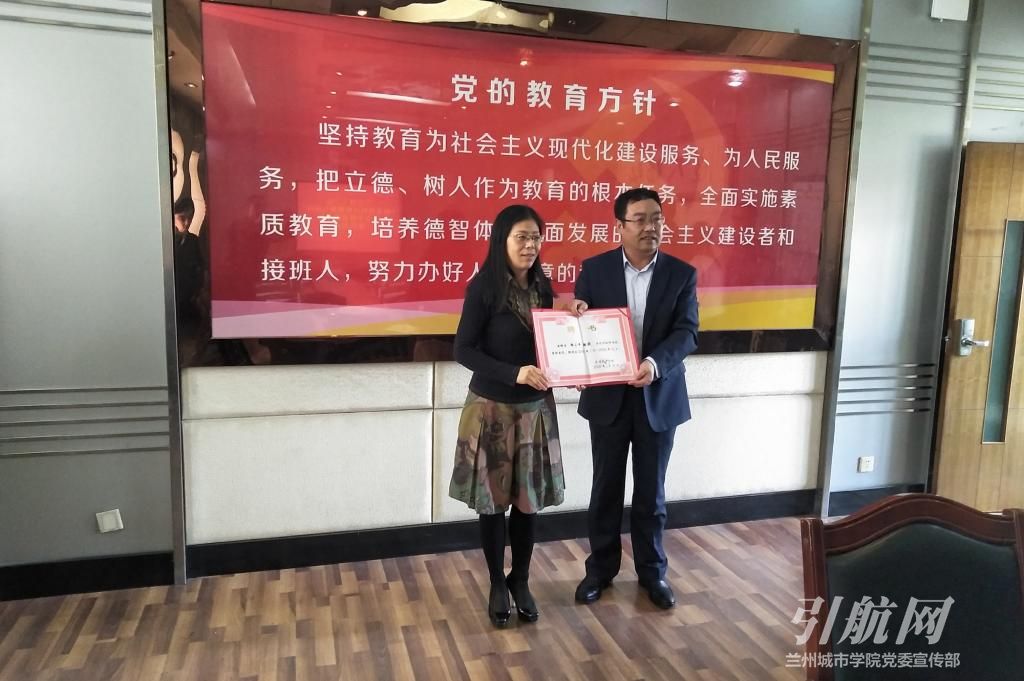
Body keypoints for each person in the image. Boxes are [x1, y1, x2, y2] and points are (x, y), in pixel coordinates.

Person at [449, 204, 584, 628]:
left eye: (536, 237)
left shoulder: (543, 287)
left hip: (534, 411)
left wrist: (574, 358)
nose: (530, 245)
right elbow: (463, 350)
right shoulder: (483, 288)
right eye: (521, 237)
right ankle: (495, 582)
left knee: (529, 503)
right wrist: (514, 372)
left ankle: (520, 578)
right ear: (502, 240)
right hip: (491, 410)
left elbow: (548, 343)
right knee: (492, 505)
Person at [572, 187, 699, 610]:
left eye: (657, 218)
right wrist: (576, 325)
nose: (650, 227)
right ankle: (600, 570)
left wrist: (654, 364)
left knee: (651, 492)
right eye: (640, 219)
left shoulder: (681, 274)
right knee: (605, 488)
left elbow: (687, 332)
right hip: (608, 398)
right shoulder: (595, 270)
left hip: (657, 395)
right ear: (620, 226)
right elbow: (581, 324)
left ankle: (652, 572)